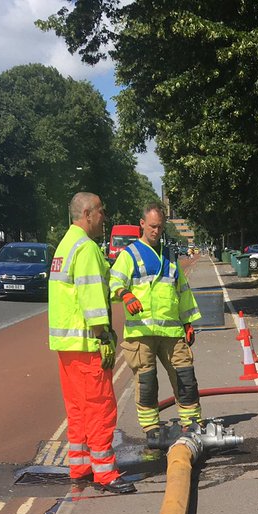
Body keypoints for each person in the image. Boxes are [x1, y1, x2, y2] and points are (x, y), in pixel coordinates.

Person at [48, 191, 135, 495]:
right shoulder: (85, 249)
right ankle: (106, 473)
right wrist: (104, 336)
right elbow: (92, 299)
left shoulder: (65, 245)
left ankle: (81, 465)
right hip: (87, 344)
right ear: (86, 214)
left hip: (67, 346)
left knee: (78, 409)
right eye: (100, 211)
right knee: (100, 408)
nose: (104, 217)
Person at [109, 202, 203, 442]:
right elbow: (113, 283)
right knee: (147, 381)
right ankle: (151, 427)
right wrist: (125, 294)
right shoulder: (129, 255)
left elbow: (182, 290)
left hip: (171, 332)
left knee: (185, 376)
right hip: (141, 333)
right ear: (142, 224)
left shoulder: (169, 256)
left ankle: (192, 422)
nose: (156, 231)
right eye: (152, 226)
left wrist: (188, 322)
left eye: (160, 227)